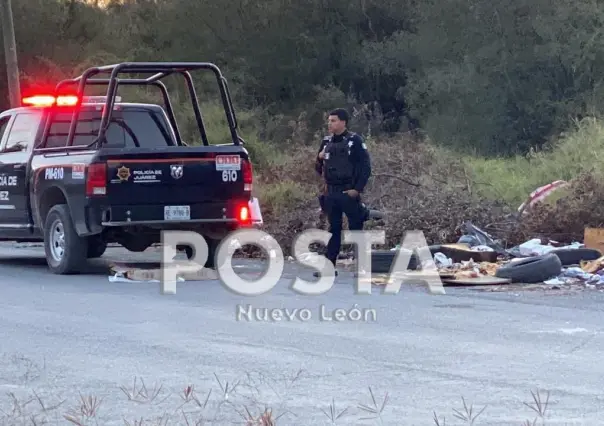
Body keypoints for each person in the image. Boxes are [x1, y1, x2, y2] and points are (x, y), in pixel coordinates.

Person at [314, 108, 371, 276]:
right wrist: (319, 157)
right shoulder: (326, 142)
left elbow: (365, 167)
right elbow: (318, 169)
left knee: (356, 228)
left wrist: (357, 189)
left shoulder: (355, 140)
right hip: (331, 192)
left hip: (348, 191)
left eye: (333, 120)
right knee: (334, 229)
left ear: (343, 122)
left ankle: (362, 267)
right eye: (329, 120)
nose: (330, 124)